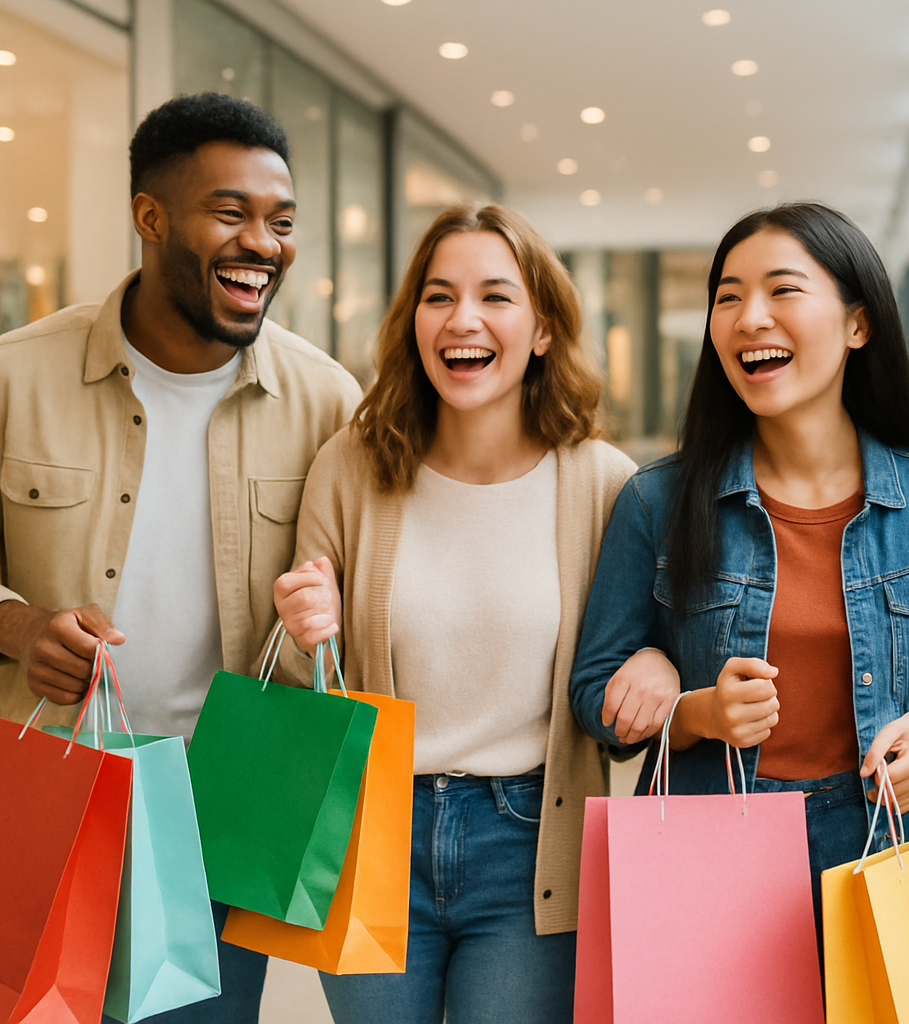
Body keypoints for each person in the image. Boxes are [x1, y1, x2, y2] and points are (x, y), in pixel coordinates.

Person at [0, 92, 362, 1023]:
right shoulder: (10, 376)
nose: (262, 243)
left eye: (280, 221)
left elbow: (363, 586)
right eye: (230, 212)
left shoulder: (327, 400)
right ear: (150, 215)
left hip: (230, 804)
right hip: (58, 782)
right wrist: (15, 626)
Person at [569, 202, 909, 923]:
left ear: (858, 324)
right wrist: (695, 711)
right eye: (728, 297)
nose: (750, 318)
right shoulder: (657, 500)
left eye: (782, 290)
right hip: (710, 844)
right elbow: (595, 696)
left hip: (881, 842)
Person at [270, 201, 636, 1024]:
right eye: (438, 296)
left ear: (544, 329)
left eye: (495, 296)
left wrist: (652, 661)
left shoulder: (603, 483)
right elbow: (307, 683)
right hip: (370, 829)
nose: (462, 318)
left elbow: (625, 677)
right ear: (413, 322)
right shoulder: (351, 467)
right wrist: (303, 633)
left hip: (530, 843)